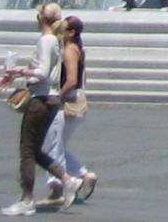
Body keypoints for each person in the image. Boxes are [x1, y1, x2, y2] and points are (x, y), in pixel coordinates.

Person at [0, 4, 77, 216]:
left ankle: (27, 199)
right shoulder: (56, 40)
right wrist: (21, 75)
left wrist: (19, 71)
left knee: (26, 151)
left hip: (40, 100)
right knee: (35, 150)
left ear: (40, 18)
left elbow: (41, 72)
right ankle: (68, 180)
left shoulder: (46, 40)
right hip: (50, 99)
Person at [42, 14, 96, 204]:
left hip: (69, 102)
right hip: (77, 98)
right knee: (57, 146)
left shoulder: (69, 50)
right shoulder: (78, 48)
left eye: (63, 28)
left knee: (52, 146)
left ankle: (59, 187)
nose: (59, 30)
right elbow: (82, 79)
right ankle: (83, 175)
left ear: (71, 32)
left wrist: (58, 97)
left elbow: (72, 80)